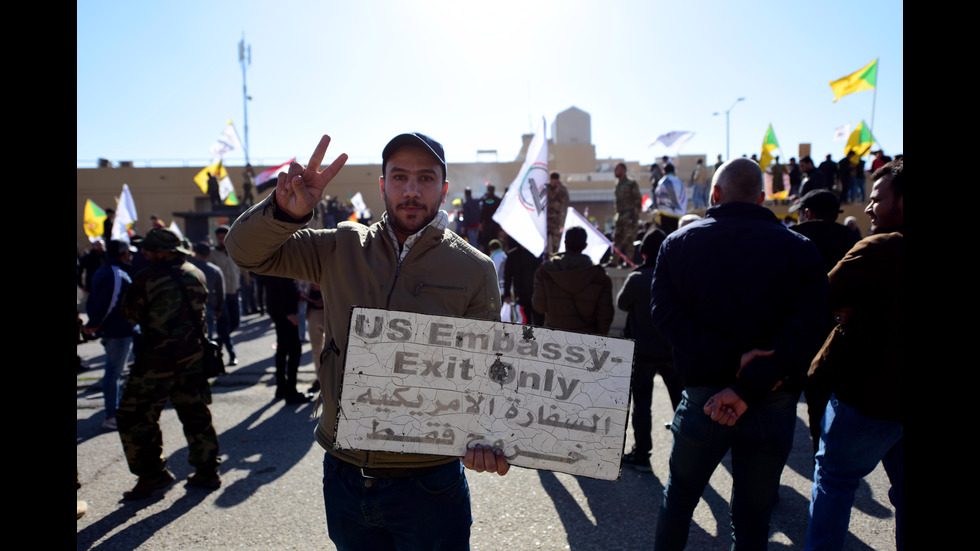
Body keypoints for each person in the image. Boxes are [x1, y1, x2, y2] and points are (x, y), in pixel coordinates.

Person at [225, 133, 509, 549]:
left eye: (425, 178)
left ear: (444, 189)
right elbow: (246, 253)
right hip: (344, 477)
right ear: (382, 185)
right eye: (400, 177)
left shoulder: (475, 268)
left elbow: (487, 372)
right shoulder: (340, 245)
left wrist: (487, 437)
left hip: (429, 483)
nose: (411, 190)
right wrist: (282, 213)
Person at [650, 158, 828, 550]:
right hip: (772, 398)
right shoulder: (799, 249)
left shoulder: (678, 244)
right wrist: (749, 381)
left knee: (679, 502)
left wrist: (733, 364)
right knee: (752, 518)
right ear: (762, 198)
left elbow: (665, 317)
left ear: (714, 194)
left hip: (704, 400)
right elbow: (810, 327)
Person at [804, 159, 904, 551]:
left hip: (867, 399)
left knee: (834, 483)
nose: (868, 207)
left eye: (877, 199)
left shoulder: (880, 248)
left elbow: (818, 299)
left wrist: (849, 308)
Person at [116, 228, 221, 500]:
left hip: (156, 361)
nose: (144, 253)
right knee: (195, 413)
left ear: (162, 252)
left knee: (134, 416)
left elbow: (129, 314)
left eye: (148, 249)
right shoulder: (195, 273)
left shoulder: (147, 278)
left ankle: (152, 474)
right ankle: (207, 471)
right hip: (193, 358)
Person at [617, 229, 683, 472]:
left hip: (642, 350)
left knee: (642, 404)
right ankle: (687, 450)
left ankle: (642, 453)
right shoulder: (676, 276)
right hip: (672, 349)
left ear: (643, 252)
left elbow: (622, 303)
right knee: (681, 401)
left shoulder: (637, 278)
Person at [83, 239, 138, 431]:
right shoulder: (114, 273)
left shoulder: (107, 271)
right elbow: (109, 303)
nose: (130, 255)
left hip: (116, 330)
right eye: (128, 252)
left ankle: (115, 411)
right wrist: (94, 324)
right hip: (117, 330)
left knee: (115, 373)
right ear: (122, 253)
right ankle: (111, 415)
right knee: (113, 373)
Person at [532, 226, 614, 335]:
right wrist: (601, 340)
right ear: (585, 246)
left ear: (565, 243)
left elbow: (539, 306)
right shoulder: (599, 276)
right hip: (586, 339)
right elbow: (605, 314)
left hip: (553, 338)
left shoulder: (545, 271)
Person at [265, 275, 308, 404]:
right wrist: (288, 312)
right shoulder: (281, 268)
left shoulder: (277, 267)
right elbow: (281, 289)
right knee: (295, 350)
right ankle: (291, 391)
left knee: (282, 349)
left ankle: (281, 387)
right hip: (285, 314)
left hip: (280, 313)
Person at [211, 226, 241, 365]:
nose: (222, 240)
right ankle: (231, 354)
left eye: (224, 237)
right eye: (220, 238)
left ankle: (217, 342)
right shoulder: (212, 254)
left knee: (235, 323)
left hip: (234, 293)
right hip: (221, 296)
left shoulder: (234, 251)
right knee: (224, 325)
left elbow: (239, 270)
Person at [612, 162, 642, 265]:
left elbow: (638, 199)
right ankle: (614, 261)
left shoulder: (631, 183)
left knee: (629, 239)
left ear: (623, 170)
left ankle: (628, 261)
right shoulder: (617, 184)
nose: (615, 171)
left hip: (629, 214)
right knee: (617, 239)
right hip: (620, 215)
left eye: (618, 169)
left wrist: (635, 215)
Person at [655, 163, 687, 234]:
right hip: (678, 215)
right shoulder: (680, 182)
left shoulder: (662, 182)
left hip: (665, 214)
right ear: (673, 171)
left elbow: (659, 198)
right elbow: (684, 197)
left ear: (664, 171)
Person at [546, 172, 570, 255]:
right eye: (553, 181)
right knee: (545, 240)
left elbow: (566, 200)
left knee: (555, 241)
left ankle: (555, 255)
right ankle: (545, 256)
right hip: (546, 219)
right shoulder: (546, 188)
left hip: (556, 219)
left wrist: (558, 191)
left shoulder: (562, 189)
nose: (554, 183)